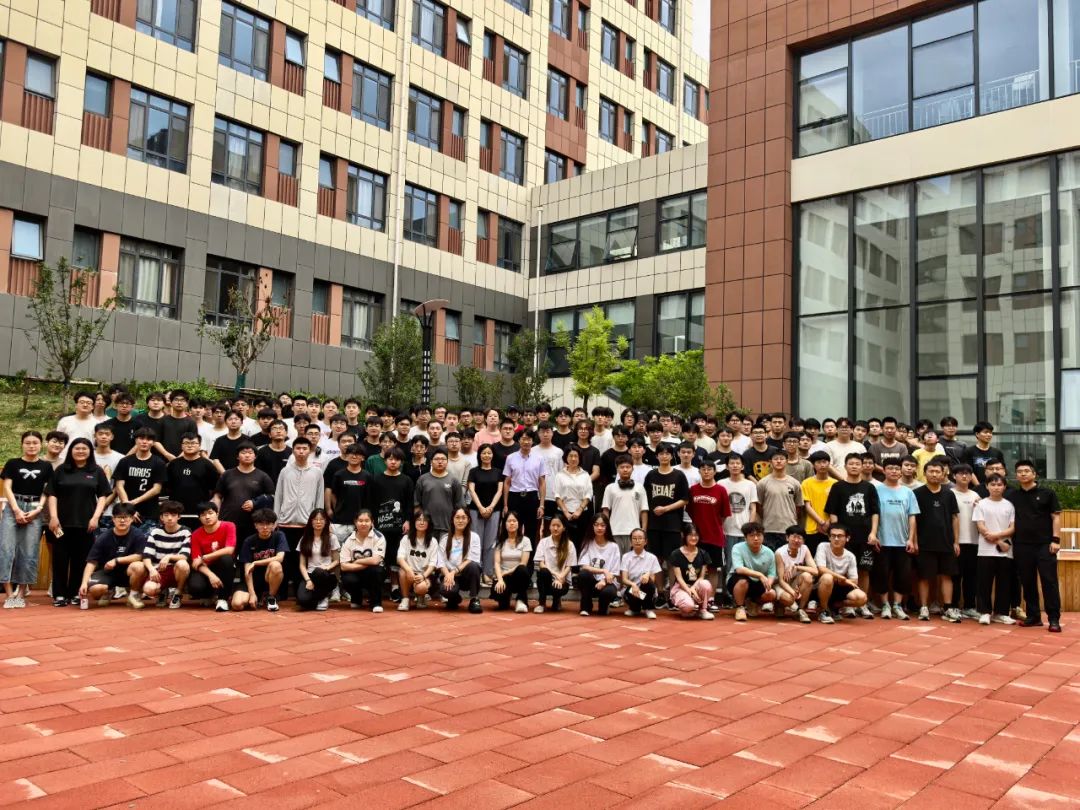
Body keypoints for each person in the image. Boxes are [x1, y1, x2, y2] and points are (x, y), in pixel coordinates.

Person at [45, 438, 112, 607]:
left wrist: (96, 517)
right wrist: (53, 516)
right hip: (61, 524)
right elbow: (52, 494)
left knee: (80, 560)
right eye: (77, 448)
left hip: (86, 524)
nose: (80, 451)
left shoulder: (96, 471)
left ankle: (75, 593)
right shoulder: (61, 470)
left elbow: (102, 496)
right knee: (60, 559)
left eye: (84, 448)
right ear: (70, 450)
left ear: (90, 451)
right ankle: (59, 594)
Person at [1006, 460, 1063, 632]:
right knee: (1027, 582)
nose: (1023, 474)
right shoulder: (1012, 496)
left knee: (1049, 582)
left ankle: (1054, 619)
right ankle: (1033, 617)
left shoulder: (1047, 493)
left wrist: (1056, 540)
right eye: (1019, 471)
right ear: (1016, 476)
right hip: (1021, 545)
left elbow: (1056, 517)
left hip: (1045, 545)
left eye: (1026, 471)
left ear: (1034, 474)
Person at [824, 453, 880, 617]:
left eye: (857, 464)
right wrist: (835, 534)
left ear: (862, 466)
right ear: (845, 466)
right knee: (843, 570)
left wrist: (873, 533)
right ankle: (847, 603)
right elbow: (833, 512)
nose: (854, 466)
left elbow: (875, 512)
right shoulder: (838, 487)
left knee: (864, 570)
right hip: (844, 538)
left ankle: (862, 603)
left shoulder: (869, 488)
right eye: (851, 464)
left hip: (864, 536)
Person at [1, 431, 52, 608]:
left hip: (35, 508)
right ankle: (9, 594)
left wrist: (38, 509)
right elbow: (7, 487)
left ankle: (21, 593)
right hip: (13, 506)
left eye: (35, 443)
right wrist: (16, 510)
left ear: (41, 445)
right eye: (28, 443)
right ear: (22, 444)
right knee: (6, 549)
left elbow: (47, 490)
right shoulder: (12, 463)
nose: (31, 446)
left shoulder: (46, 466)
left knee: (29, 551)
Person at [914, 458, 961, 622]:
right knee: (924, 576)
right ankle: (924, 607)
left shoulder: (949, 494)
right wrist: (914, 540)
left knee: (947, 575)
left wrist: (956, 541)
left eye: (937, 471)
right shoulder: (917, 493)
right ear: (925, 473)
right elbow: (913, 519)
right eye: (931, 471)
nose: (934, 474)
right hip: (924, 543)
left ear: (943, 474)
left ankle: (947, 607)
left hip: (946, 542)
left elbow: (955, 518)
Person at [643, 443, 689, 604]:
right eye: (661, 453)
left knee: (671, 560)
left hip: (673, 524)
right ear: (656, 456)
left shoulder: (679, 475)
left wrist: (666, 509)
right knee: (656, 560)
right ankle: (661, 592)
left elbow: (685, 499)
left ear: (671, 456)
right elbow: (645, 499)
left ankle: (672, 593)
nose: (664, 456)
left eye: (667, 453)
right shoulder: (651, 475)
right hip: (653, 525)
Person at [77, 503, 147, 608]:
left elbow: (140, 556)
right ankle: (108, 591)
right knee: (96, 590)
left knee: (139, 566)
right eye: (119, 517)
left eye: (126, 517)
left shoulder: (138, 535)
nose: (122, 520)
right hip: (107, 572)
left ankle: (133, 595)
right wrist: (84, 583)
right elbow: (91, 562)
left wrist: (117, 560)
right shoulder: (103, 537)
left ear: (132, 519)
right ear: (113, 519)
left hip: (128, 572)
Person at [973, 474, 1016, 625]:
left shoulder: (1009, 505)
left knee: (1004, 583)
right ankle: (984, 612)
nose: (996, 487)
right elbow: (980, 526)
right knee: (984, 582)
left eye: (999, 485)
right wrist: (998, 541)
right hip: (985, 550)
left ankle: (1001, 613)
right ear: (987, 486)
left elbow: (1012, 528)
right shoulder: (981, 504)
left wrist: (997, 536)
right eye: (993, 484)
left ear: (1004, 487)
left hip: (1006, 550)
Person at [688, 461, 732, 609]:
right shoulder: (693, 489)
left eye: (709, 469)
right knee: (694, 568)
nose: (706, 471)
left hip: (715, 536)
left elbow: (724, 515)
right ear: (699, 471)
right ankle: (695, 597)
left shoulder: (721, 490)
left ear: (714, 471)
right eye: (703, 469)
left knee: (713, 569)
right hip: (696, 537)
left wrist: (713, 524)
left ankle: (711, 598)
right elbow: (690, 511)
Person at [214, 443, 274, 543]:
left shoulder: (263, 476)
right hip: (228, 521)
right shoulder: (227, 474)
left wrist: (255, 503)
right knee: (228, 550)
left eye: (250, 453)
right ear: (237, 456)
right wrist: (216, 514)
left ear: (255, 456)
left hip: (253, 524)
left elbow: (272, 496)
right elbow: (217, 496)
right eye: (243, 453)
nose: (247, 455)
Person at [113, 428, 167, 530]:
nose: (144, 442)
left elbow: (156, 489)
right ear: (136, 440)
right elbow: (119, 485)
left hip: (150, 512)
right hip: (126, 513)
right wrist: (128, 506)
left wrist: (133, 502)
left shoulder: (159, 463)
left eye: (149, 439)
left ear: (153, 442)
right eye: (141, 438)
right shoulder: (125, 461)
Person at [140, 500, 191, 609]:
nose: (169, 518)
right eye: (166, 515)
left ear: (179, 517)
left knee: (183, 564)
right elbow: (146, 555)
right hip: (159, 570)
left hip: (176, 570)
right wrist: (151, 569)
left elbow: (185, 555)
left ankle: (178, 593)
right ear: (161, 517)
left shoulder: (186, 532)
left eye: (173, 515)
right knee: (148, 589)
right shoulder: (155, 532)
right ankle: (162, 592)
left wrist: (168, 557)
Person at [188, 502, 237, 611]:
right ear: (199, 518)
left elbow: (229, 550)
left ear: (217, 513)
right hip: (206, 569)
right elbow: (196, 562)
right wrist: (211, 575)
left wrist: (205, 557)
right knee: (195, 587)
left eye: (210, 513)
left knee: (226, 559)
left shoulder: (229, 526)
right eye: (203, 515)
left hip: (223, 566)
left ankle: (223, 599)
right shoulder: (195, 534)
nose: (207, 517)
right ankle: (209, 595)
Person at [813, 525, 868, 624]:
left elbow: (854, 581)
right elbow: (821, 569)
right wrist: (841, 577)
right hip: (819, 585)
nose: (836, 539)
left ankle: (834, 607)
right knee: (827, 577)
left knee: (862, 598)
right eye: (833, 536)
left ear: (847, 538)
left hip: (839, 586)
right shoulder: (823, 546)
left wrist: (842, 581)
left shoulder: (850, 556)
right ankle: (824, 611)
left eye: (840, 536)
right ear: (829, 537)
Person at [727, 522, 778, 622]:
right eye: (752, 535)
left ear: (763, 536)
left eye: (758, 535)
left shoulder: (769, 553)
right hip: (738, 580)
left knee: (771, 594)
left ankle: (754, 602)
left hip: (758, 583)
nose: (756, 538)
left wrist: (768, 585)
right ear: (745, 538)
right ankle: (740, 607)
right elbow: (739, 569)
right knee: (743, 582)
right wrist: (759, 575)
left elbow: (772, 573)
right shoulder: (737, 548)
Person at [166, 433, 220, 528]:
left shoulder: (207, 465)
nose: (190, 445)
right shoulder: (173, 464)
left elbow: (214, 488)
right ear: (181, 445)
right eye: (186, 443)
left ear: (199, 445)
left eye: (193, 443)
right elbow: (167, 486)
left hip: (200, 512)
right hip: (176, 511)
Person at [436, 507, 483, 612]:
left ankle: (474, 599)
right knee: (445, 590)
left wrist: (453, 572)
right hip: (450, 576)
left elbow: (471, 559)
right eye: (457, 517)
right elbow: (440, 562)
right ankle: (454, 598)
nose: (460, 520)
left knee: (474, 566)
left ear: (468, 520)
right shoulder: (445, 539)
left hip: (466, 576)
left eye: (463, 517)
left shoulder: (474, 537)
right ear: (452, 520)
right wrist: (448, 574)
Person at [468, 444, 503, 585]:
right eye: (484, 453)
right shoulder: (473, 471)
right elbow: (471, 490)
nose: (486, 455)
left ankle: (487, 573)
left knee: (490, 542)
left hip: (494, 510)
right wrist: (481, 507)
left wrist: (491, 507)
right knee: (476, 541)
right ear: (479, 455)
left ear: (493, 455)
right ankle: (476, 572)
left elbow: (500, 491)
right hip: (475, 510)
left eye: (489, 453)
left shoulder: (498, 472)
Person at [502, 429, 546, 542]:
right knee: (513, 529)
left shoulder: (539, 458)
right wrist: (505, 505)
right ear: (519, 440)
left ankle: (529, 554)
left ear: (533, 441)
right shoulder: (510, 458)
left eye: (529, 439)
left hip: (532, 497)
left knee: (531, 530)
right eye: (523, 439)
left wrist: (541, 505)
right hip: (514, 497)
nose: (526, 442)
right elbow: (507, 482)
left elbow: (542, 482)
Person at [757, 450, 805, 552]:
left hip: (789, 528)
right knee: (770, 558)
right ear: (770, 462)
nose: (778, 461)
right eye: (775, 459)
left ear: (786, 461)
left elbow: (799, 507)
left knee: (788, 558)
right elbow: (759, 506)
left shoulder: (795, 483)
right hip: (769, 528)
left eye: (782, 459)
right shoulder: (762, 483)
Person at [950, 464, 981, 619]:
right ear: (954, 476)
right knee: (955, 576)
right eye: (961, 473)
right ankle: (953, 606)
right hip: (956, 542)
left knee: (971, 577)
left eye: (968, 473)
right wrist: (953, 541)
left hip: (974, 541)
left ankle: (969, 606)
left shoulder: (976, 495)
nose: (964, 476)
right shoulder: (949, 494)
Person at [601, 454, 648, 554]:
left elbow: (644, 510)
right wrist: (607, 529)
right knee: (615, 560)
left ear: (632, 469)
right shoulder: (610, 488)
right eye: (622, 467)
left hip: (634, 532)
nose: (625, 469)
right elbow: (606, 510)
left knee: (632, 560)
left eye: (628, 467)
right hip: (614, 531)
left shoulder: (640, 488)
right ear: (617, 469)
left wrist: (643, 530)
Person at [339, 510, 386, 612]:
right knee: (347, 578)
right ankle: (356, 598)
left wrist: (357, 562)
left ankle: (376, 603)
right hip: (355, 572)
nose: (363, 523)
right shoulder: (348, 539)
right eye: (360, 521)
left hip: (372, 572)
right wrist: (366, 564)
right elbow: (343, 566)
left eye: (367, 521)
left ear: (372, 522)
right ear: (355, 522)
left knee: (377, 571)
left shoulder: (379, 537)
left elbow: (376, 560)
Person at [577, 514, 621, 616]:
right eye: (596, 525)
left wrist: (604, 580)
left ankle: (603, 607)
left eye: (602, 525)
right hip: (591, 582)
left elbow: (615, 572)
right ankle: (586, 607)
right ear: (592, 527)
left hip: (607, 583)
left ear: (607, 527)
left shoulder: (614, 546)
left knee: (608, 593)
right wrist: (603, 571)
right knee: (583, 574)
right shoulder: (587, 543)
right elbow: (584, 566)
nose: (599, 528)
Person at [668, 525, 715, 620]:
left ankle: (703, 610)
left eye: (696, 535)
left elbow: (701, 577)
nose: (694, 538)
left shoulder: (703, 553)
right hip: (681, 587)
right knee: (688, 606)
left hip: (696, 586)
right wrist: (689, 590)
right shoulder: (676, 554)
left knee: (705, 584)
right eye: (690, 535)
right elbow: (679, 578)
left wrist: (693, 588)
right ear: (684, 535)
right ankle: (687, 608)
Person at [296, 509, 339, 611]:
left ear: (326, 521)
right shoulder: (305, 538)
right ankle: (318, 598)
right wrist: (308, 580)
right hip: (311, 574)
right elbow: (302, 564)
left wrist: (327, 567)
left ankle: (323, 597)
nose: (318, 522)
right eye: (315, 519)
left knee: (319, 572)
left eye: (321, 519)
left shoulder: (332, 538)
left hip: (326, 574)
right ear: (311, 521)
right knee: (302, 601)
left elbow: (337, 560)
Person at [328, 446, 371, 546]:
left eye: (357, 454)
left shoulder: (367, 476)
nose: (354, 456)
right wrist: (338, 508)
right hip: (339, 521)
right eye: (351, 453)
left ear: (362, 458)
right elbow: (333, 495)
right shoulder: (338, 475)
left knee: (357, 551)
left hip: (359, 522)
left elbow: (368, 499)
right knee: (337, 549)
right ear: (346, 456)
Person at [415, 449, 464, 537]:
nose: (440, 461)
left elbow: (459, 506)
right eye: (437, 459)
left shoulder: (454, 480)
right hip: (427, 527)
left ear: (447, 461)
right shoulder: (422, 479)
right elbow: (417, 505)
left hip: (448, 526)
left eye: (443, 459)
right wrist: (420, 523)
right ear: (431, 462)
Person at [534, 514, 576, 613]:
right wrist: (556, 574)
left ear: (564, 528)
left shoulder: (569, 544)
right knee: (543, 572)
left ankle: (556, 600)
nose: (555, 528)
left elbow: (569, 566)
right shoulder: (543, 542)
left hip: (562, 580)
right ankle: (541, 603)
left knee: (557, 588)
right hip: (547, 577)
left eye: (558, 526)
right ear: (549, 527)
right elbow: (541, 564)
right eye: (553, 525)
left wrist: (561, 578)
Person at [396, 512, 439, 611]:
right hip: (410, 573)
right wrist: (408, 570)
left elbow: (433, 564)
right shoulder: (406, 539)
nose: (421, 522)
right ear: (414, 522)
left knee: (421, 587)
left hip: (425, 574)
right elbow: (400, 558)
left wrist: (423, 576)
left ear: (429, 523)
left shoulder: (433, 541)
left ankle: (421, 596)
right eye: (419, 520)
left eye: (425, 520)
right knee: (402, 571)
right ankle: (405, 599)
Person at [773, 526, 816, 623]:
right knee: (788, 599)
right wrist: (793, 593)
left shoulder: (804, 549)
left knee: (807, 577)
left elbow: (815, 571)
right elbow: (781, 580)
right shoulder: (780, 553)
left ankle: (800, 610)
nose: (796, 540)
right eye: (794, 537)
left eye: (800, 538)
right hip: (780, 583)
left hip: (794, 580)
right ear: (787, 538)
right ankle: (779, 604)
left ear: (803, 540)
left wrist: (796, 567)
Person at [492, 511, 531, 612]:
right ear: (504, 524)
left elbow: (523, 563)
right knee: (501, 601)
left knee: (522, 569)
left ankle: (521, 599)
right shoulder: (500, 541)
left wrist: (506, 572)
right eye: (509, 521)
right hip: (504, 577)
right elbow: (497, 563)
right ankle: (506, 597)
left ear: (519, 524)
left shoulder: (525, 541)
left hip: (518, 576)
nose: (512, 523)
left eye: (514, 521)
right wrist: (500, 579)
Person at [554, 446, 592, 549]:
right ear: (566, 458)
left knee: (580, 543)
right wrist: (566, 512)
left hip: (582, 513)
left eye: (576, 456)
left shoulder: (585, 475)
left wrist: (579, 510)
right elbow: (557, 495)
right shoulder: (560, 475)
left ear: (580, 458)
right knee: (564, 543)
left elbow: (588, 495)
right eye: (570, 456)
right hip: (564, 513)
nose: (573, 459)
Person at [620, 527, 661, 619]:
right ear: (631, 541)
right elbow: (624, 579)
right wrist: (633, 585)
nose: (637, 541)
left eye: (640, 538)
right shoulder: (626, 557)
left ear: (645, 541)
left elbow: (653, 580)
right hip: (632, 590)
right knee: (630, 590)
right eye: (634, 538)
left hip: (646, 591)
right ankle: (634, 609)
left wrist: (648, 574)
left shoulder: (652, 557)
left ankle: (648, 608)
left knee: (648, 583)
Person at [801, 451, 835, 554]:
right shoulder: (806, 483)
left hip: (831, 528)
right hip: (812, 528)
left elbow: (837, 507)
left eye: (825, 462)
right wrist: (821, 522)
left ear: (829, 463)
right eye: (819, 462)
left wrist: (828, 522)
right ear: (813, 465)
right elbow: (807, 506)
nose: (822, 465)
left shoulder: (835, 484)